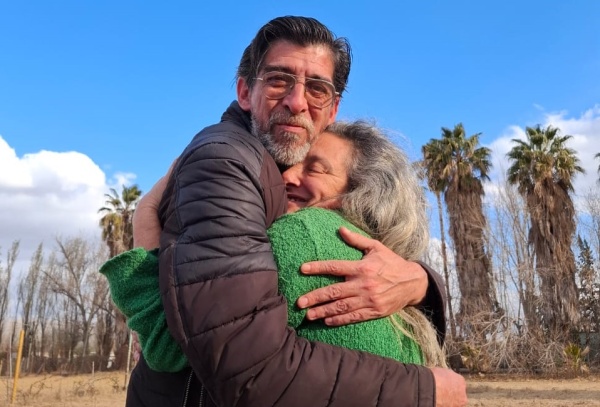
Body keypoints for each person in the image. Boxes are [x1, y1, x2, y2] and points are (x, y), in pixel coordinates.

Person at [129, 16, 467, 407]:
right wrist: (426, 391)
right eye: (278, 80)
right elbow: (245, 362)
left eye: (318, 88)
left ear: (333, 108)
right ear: (244, 91)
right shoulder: (230, 162)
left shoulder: (270, 166)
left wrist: (420, 280)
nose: (297, 101)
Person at [101, 122, 448, 375]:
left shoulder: (307, 234)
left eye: (315, 169)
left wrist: (145, 215)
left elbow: (168, 344)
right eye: (290, 164)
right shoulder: (376, 257)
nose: (287, 177)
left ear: (362, 193)